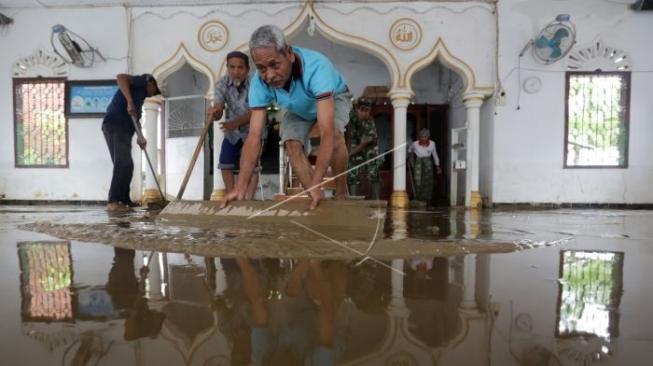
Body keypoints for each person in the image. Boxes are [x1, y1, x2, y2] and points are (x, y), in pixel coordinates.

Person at [221, 25, 352, 210]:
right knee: (291, 144)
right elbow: (253, 138)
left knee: (336, 136)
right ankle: (316, 197)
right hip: (297, 107)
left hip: (334, 98)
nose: (270, 75)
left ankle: (341, 195)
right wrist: (240, 186)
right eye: (261, 68)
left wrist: (318, 179)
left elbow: (327, 133)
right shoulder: (259, 83)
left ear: (289, 54)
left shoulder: (316, 67)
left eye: (274, 65)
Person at [102, 73, 161, 211]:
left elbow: (136, 119)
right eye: (155, 90)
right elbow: (120, 77)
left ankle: (124, 200)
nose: (153, 94)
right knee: (122, 163)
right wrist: (129, 101)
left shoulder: (139, 97)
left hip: (124, 129)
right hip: (116, 124)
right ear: (151, 83)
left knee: (127, 165)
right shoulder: (142, 81)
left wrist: (141, 137)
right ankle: (113, 201)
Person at [208, 51, 262, 199]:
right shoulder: (221, 84)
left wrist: (235, 123)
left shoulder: (256, 84)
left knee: (251, 166)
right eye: (232, 67)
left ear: (247, 69)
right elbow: (219, 110)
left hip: (254, 130)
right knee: (225, 163)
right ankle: (233, 196)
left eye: (240, 68)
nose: (236, 71)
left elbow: (256, 111)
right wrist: (215, 112)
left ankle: (248, 200)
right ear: (227, 68)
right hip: (233, 133)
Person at [347, 97, 381, 199]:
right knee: (352, 171)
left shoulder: (369, 123)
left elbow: (363, 145)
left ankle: (376, 201)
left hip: (368, 148)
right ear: (357, 109)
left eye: (368, 111)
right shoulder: (349, 117)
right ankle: (353, 200)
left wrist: (347, 155)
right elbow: (347, 136)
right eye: (362, 110)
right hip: (353, 145)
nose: (365, 113)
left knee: (373, 171)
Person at [408, 129, 442, 203]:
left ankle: (426, 199)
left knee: (427, 181)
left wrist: (438, 166)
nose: (423, 138)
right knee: (417, 180)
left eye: (425, 137)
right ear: (419, 137)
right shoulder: (415, 144)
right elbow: (410, 150)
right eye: (421, 137)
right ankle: (418, 198)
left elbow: (435, 154)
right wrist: (410, 158)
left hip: (428, 162)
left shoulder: (432, 144)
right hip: (418, 162)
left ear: (428, 137)